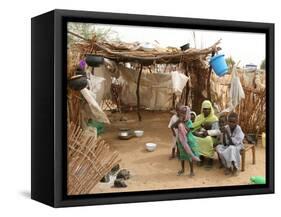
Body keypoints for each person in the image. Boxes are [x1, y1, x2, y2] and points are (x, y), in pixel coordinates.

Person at [172, 106, 200, 177]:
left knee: (189, 156)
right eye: (181, 113)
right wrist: (178, 121)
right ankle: (182, 169)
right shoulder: (179, 120)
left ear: (187, 113)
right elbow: (173, 126)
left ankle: (192, 171)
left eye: (184, 113)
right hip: (181, 141)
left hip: (188, 141)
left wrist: (182, 123)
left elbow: (188, 131)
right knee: (182, 156)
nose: (182, 115)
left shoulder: (189, 121)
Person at [192, 100, 219, 168]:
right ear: (202, 109)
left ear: (210, 109)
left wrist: (207, 133)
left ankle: (210, 159)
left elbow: (216, 133)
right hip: (199, 134)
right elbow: (194, 128)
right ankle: (201, 157)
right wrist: (198, 133)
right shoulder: (198, 117)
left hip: (212, 137)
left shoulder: (214, 118)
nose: (206, 111)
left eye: (208, 109)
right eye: (204, 109)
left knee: (208, 139)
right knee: (196, 139)